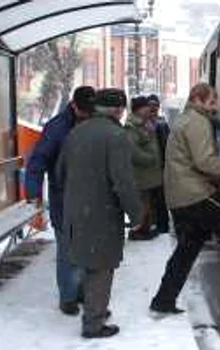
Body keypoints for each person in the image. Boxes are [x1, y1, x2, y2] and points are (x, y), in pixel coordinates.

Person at [150, 83, 220, 314]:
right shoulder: (197, 122)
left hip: (179, 196)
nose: (215, 107)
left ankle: (163, 300)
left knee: (186, 250)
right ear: (197, 99)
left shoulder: (185, 119)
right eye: (212, 101)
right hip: (195, 194)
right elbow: (204, 162)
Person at [57, 89, 142, 338]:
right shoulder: (116, 136)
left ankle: (94, 308)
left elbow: (60, 171)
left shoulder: (76, 131)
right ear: (117, 110)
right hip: (102, 213)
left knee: (87, 261)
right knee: (101, 267)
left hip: (75, 210)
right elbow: (123, 182)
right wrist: (136, 214)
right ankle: (93, 323)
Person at [24, 86, 96, 316]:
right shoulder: (57, 127)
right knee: (67, 249)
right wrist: (33, 192)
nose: (86, 114)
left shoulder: (95, 122)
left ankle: (83, 291)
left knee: (87, 247)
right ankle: (68, 296)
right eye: (83, 110)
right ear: (73, 105)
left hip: (90, 198)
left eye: (89, 110)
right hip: (62, 198)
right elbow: (37, 161)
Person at [125, 96, 163, 240]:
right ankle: (138, 230)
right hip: (141, 173)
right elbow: (132, 151)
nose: (149, 109)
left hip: (148, 173)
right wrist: (150, 159)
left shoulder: (144, 124)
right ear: (139, 109)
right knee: (142, 203)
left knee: (147, 202)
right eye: (146, 107)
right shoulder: (132, 127)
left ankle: (145, 227)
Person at [148, 94, 171, 234]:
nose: (153, 108)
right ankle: (160, 223)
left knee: (159, 197)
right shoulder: (157, 123)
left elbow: (166, 146)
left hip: (159, 166)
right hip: (157, 166)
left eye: (154, 105)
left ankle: (162, 224)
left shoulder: (160, 124)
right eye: (150, 105)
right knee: (157, 197)